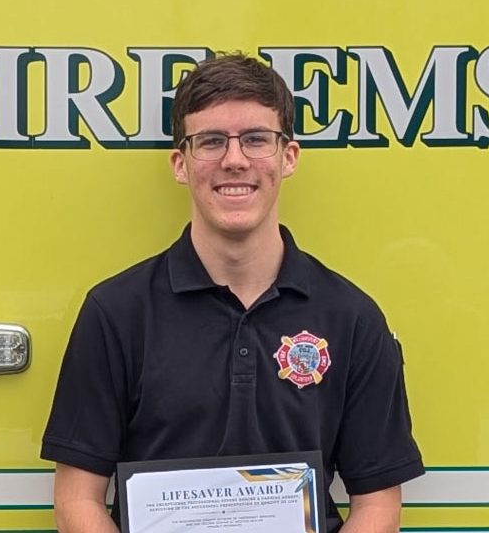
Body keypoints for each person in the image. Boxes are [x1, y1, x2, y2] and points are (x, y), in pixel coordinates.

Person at [40, 53, 424, 533]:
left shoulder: (351, 317)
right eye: (212, 141)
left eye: (257, 139)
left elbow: (378, 504)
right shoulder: (116, 312)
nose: (235, 160)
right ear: (181, 163)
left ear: (289, 157)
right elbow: (77, 499)